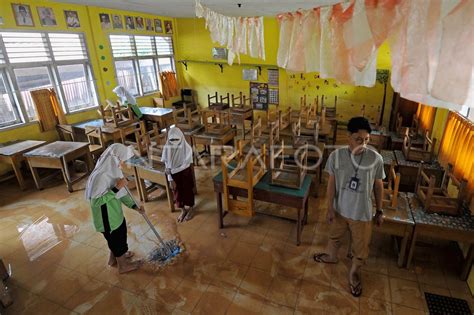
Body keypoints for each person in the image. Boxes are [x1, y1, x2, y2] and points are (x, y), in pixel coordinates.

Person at [312, 116, 385, 297]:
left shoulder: (375, 159)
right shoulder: (336, 156)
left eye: (367, 140)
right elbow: (331, 184)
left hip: (362, 213)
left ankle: (354, 273)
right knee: (334, 236)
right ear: (348, 137)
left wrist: (380, 210)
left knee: (360, 248)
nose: (363, 144)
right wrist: (329, 207)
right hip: (340, 209)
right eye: (358, 139)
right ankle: (331, 256)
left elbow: (378, 185)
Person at [85, 144, 144, 274]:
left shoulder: (112, 171)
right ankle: (123, 265)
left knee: (118, 237)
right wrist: (116, 188)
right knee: (117, 240)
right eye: (121, 160)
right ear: (114, 158)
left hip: (114, 216)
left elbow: (121, 193)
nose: (122, 163)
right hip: (107, 220)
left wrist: (135, 206)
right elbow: (96, 202)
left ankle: (114, 259)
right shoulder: (100, 177)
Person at [161, 127, 195, 222]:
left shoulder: (186, 148)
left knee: (188, 190)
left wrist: (171, 171)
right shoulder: (167, 148)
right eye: (172, 140)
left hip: (185, 173)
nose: (174, 142)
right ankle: (183, 210)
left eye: (177, 139)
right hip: (173, 175)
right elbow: (167, 164)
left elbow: (185, 165)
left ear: (181, 137)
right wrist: (170, 179)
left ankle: (191, 208)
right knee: (177, 193)